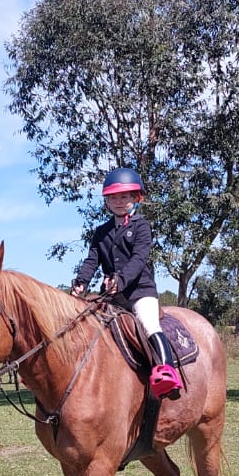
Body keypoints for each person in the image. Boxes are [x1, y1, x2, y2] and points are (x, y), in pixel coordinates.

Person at [70, 166, 183, 399]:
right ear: (107, 202)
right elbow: (92, 261)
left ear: (135, 198)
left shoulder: (142, 226)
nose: (119, 202)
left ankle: (167, 372)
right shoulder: (101, 232)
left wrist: (119, 281)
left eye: (125, 196)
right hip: (112, 297)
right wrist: (81, 283)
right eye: (114, 198)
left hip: (140, 292)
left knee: (149, 324)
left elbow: (138, 259)